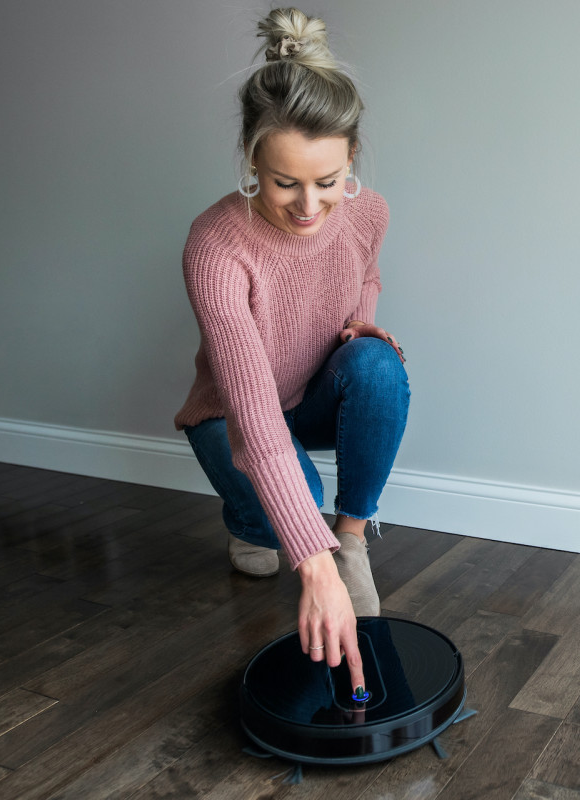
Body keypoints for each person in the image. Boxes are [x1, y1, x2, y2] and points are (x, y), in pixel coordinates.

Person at [174, 8, 409, 693]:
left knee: (378, 366)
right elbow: (254, 418)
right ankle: (250, 520)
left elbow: (365, 273)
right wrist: (312, 563)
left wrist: (358, 325)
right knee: (284, 520)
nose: (309, 206)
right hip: (234, 419)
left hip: (311, 395)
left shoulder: (369, 212)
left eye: (327, 181)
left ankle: (355, 538)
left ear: (350, 160)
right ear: (252, 160)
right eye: (285, 183)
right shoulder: (215, 244)